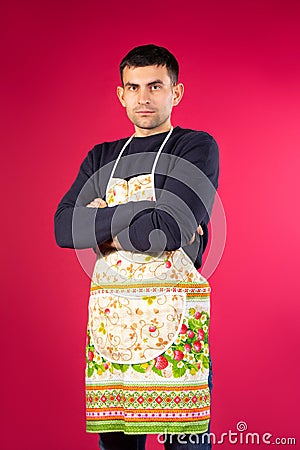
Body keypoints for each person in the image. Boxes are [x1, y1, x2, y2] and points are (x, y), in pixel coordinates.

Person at [54, 44, 219, 450]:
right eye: (134, 87)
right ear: (121, 94)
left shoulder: (195, 148)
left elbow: (170, 231)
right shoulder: (101, 156)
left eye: (155, 86)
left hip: (175, 324)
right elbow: (63, 228)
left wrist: (103, 219)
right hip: (113, 327)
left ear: (175, 93)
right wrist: (147, 209)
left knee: (188, 446)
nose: (144, 98)